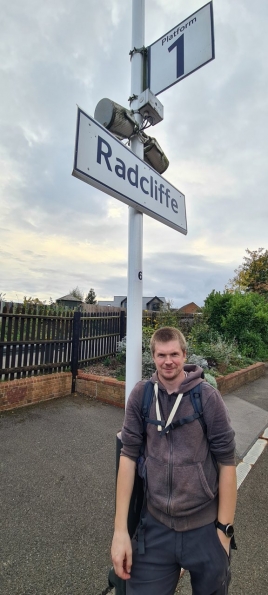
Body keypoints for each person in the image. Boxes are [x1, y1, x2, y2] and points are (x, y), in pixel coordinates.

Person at [111, 326, 237, 595]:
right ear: (153, 357)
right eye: (161, 355)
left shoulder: (207, 397)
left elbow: (227, 461)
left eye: (174, 354)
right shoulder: (141, 395)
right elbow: (128, 457)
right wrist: (120, 531)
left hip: (204, 527)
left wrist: (224, 532)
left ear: (184, 355)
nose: (168, 361)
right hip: (156, 526)